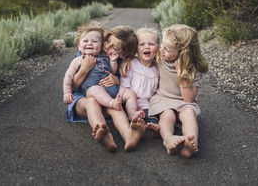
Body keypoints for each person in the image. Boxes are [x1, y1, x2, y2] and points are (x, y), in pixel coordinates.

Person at [63, 25, 145, 152]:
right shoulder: (83, 56)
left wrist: (117, 78)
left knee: (115, 106)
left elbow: (123, 64)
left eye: (115, 48)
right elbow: (73, 84)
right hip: (83, 100)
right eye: (107, 41)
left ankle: (129, 136)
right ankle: (104, 133)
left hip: (107, 98)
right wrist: (84, 69)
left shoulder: (114, 58)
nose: (108, 47)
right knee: (92, 101)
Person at [148, 24, 208, 158]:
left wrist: (183, 75)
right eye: (162, 45)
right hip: (163, 98)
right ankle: (168, 138)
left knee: (189, 114)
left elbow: (188, 99)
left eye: (167, 49)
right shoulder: (160, 57)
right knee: (167, 115)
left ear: (183, 53)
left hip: (183, 102)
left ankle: (191, 142)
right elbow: (141, 57)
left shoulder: (192, 69)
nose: (161, 49)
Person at [63, 24, 122, 111]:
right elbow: (68, 76)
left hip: (110, 89)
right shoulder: (78, 60)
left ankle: (133, 113)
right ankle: (111, 104)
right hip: (93, 91)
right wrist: (67, 92)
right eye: (85, 41)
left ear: (101, 45)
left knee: (129, 93)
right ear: (79, 46)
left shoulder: (104, 58)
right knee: (95, 90)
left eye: (94, 41)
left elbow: (112, 71)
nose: (89, 43)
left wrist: (113, 61)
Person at [120, 27, 161, 135]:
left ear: (158, 47)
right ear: (136, 48)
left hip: (148, 103)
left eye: (151, 44)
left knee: (152, 114)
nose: (146, 46)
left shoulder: (157, 68)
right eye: (141, 44)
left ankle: (153, 127)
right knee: (140, 114)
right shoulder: (131, 65)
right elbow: (124, 85)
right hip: (130, 102)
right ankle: (137, 126)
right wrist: (134, 104)